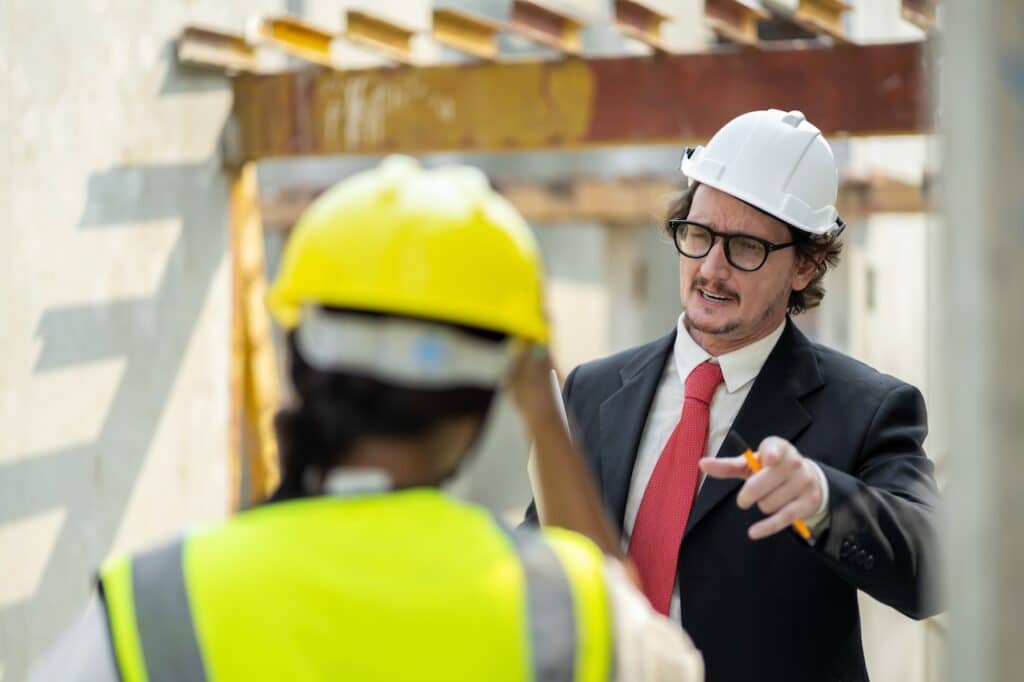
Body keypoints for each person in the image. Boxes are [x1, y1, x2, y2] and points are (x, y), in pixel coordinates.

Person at [29, 156, 703, 681]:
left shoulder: (159, 603)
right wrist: (541, 405)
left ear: (299, 363)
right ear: (489, 395)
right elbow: (653, 651)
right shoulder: (567, 609)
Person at [525, 110, 943, 682]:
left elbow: (934, 571)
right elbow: (542, 558)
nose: (711, 269)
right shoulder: (593, 391)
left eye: (745, 247)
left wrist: (823, 500)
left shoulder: (867, 410)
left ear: (807, 264)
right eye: (698, 235)